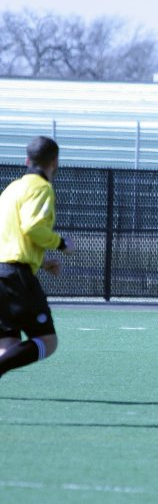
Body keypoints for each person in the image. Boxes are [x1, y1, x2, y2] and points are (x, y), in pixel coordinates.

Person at [0, 136, 75, 378]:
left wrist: (41, 262)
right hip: (15, 276)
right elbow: (32, 228)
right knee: (47, 341)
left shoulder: (12, 189)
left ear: (27, 160)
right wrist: (61, 244)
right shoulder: (42, 188)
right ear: (55, 162)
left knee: (7, 345)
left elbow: (11, 235)